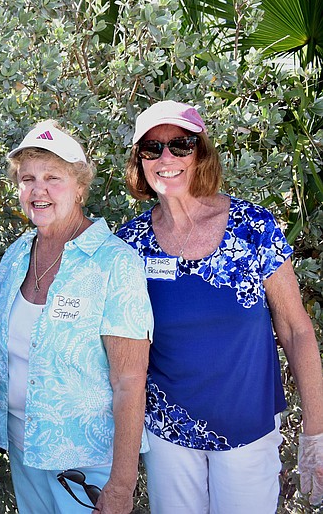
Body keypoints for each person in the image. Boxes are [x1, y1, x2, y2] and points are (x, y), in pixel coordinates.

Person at [116, 100, 323, 513]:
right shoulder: (130, 243)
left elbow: (296, 328)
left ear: (201, 153)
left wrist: (316, 431)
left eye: (180, 145)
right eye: (152, 149)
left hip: (248, 431)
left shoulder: (253, 227)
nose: (166, 158)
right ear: (139, 161)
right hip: (168, 436)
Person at [0, 120, 153, 514]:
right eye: (27, 178)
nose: (38, 189)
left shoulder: (116, 263)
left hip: (87, 461)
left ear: (80, 187)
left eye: (53, 178)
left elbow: (130, 381)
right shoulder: (16, 256)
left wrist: (121, 486)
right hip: (23, 444)